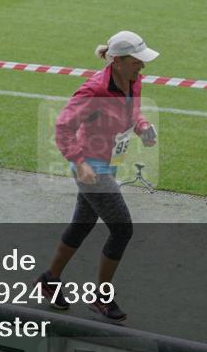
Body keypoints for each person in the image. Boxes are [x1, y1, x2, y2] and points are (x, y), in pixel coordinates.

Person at [35, 31, 159, 323]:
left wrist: (142, 127)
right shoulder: (92, 92)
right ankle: (101, 297)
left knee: (82, 224)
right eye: (136, 61)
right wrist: (79, 163)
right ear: (116, 61)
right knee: (122, 229)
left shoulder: (133, 82)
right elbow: (63, 128)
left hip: (110, 162)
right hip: (92, 169)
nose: (142, 66)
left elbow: (133, 114)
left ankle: (49, 280)